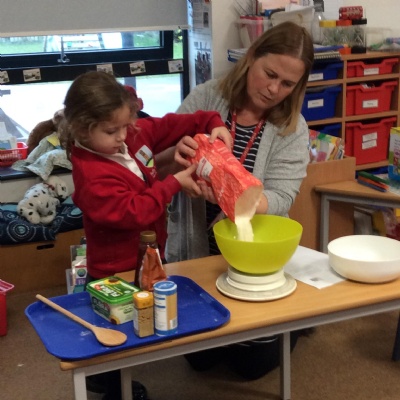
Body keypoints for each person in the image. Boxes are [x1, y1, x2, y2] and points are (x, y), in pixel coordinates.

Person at [59, 70, 232, 400]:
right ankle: (110, 386)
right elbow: (134, 212)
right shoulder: (92, 176)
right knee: (115, 329)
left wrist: (213, 123)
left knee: (140, 317)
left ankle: (110, 377)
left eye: (126, 126)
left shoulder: (131, 133)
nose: (123, 136)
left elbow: (175, 123)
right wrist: (173, 183)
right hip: (112, 270)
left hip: (147, 254)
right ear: (82, 129)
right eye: (112, 131)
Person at [158, 21, 315, 380]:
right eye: (269, 74)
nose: (273, 89)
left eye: (287, 84)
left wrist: (237, 199)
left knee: (249, 367)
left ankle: (292, 325)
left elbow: (281, 196)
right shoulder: (205, 98)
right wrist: (174, 157)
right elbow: (157, 168)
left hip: (250, 256)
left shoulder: (293, 128)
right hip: (197, 252)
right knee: (201, 358)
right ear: (251, 57)